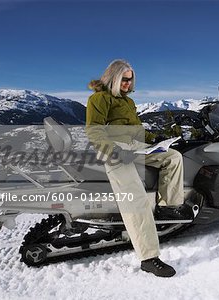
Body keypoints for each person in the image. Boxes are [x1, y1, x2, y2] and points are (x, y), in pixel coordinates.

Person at [85, 59, 192, 277]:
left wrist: (155, 139)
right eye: (124, 79)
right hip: (113, 152)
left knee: (172, 157)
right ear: (113, 77)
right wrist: (115, 151)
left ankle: (168, 207)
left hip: (134, 147)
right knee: (135, 198)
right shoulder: (99, 98)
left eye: (130, 78)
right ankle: (149, 258)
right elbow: (94, 132)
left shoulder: (127, 101)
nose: (128, 83)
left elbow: (133, 131)